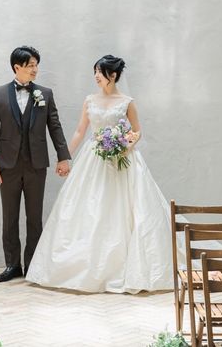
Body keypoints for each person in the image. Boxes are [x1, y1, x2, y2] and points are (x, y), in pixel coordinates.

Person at [25, 54, 170, 293]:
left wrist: (125, 147)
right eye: (94, 72)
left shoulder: (127, 102)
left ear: (112, 75)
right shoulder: (89, 100)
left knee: (123, 209)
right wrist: (64, 157)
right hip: (93, 158)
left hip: (122, 161)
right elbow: (80, 131)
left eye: (99, 72)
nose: (96, 76)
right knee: (87, 209)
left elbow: (137, 131)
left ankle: (121, 265)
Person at [0, 46, 71, 283]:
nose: (35, 69)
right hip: (7, 164)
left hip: (36, 164)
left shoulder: (45, 94)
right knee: (9, 216)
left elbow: (55, 126)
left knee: (35, 217)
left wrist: (63, 156)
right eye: (30, 65)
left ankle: (33, 265)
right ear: (17, 67)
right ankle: (12, 265)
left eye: (36, 65)